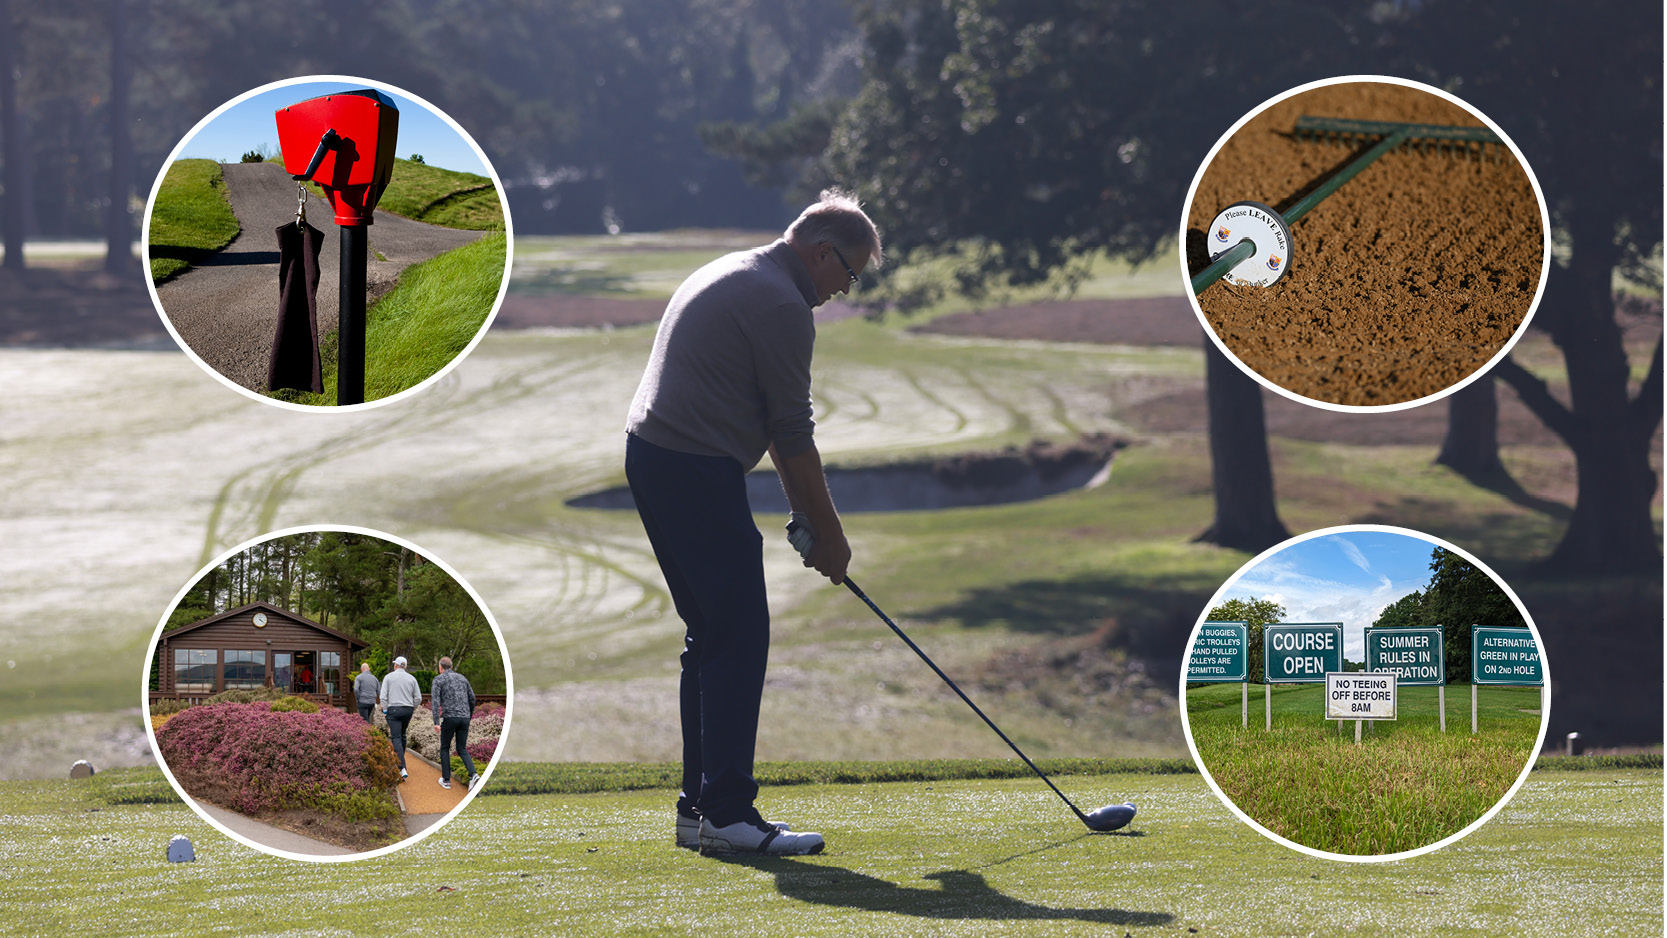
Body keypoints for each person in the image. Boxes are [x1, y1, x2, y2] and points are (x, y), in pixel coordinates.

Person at [624, 188, 880, 856]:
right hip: (689, 466)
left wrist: (808, 519)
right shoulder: (780, 302)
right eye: (847, 274)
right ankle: (729, 814)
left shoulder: (738, 268)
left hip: (658, 457)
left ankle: (699, 809)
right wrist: (830, 536)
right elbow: (791, 433)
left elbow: (773, 427)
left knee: (711, 635)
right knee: (738, 634)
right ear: (820, 252)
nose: (841, 290)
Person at [429, 656, 480, 791]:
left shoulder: (438, 680)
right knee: (462, 748)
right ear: (451, 666)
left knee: (445, 748)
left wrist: (436, 722)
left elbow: (435, 702)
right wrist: (469, 714)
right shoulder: (463, 678)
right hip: (464, 718)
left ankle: (446, 780)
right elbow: (472, 698)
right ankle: (473, 775)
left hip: (450, 717)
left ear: (440, 667)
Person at [377, 656, 421, 781]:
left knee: (395, 737)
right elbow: (418, 698)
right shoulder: (412, 679)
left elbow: (383, 696)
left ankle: (401, 767)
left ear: (395, 665)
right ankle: (400, 758)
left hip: (393, 710)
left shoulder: (389, 677)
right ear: (405, 666)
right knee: (402, 735)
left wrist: (385, 710)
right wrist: (412, 708)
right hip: (407, 710)